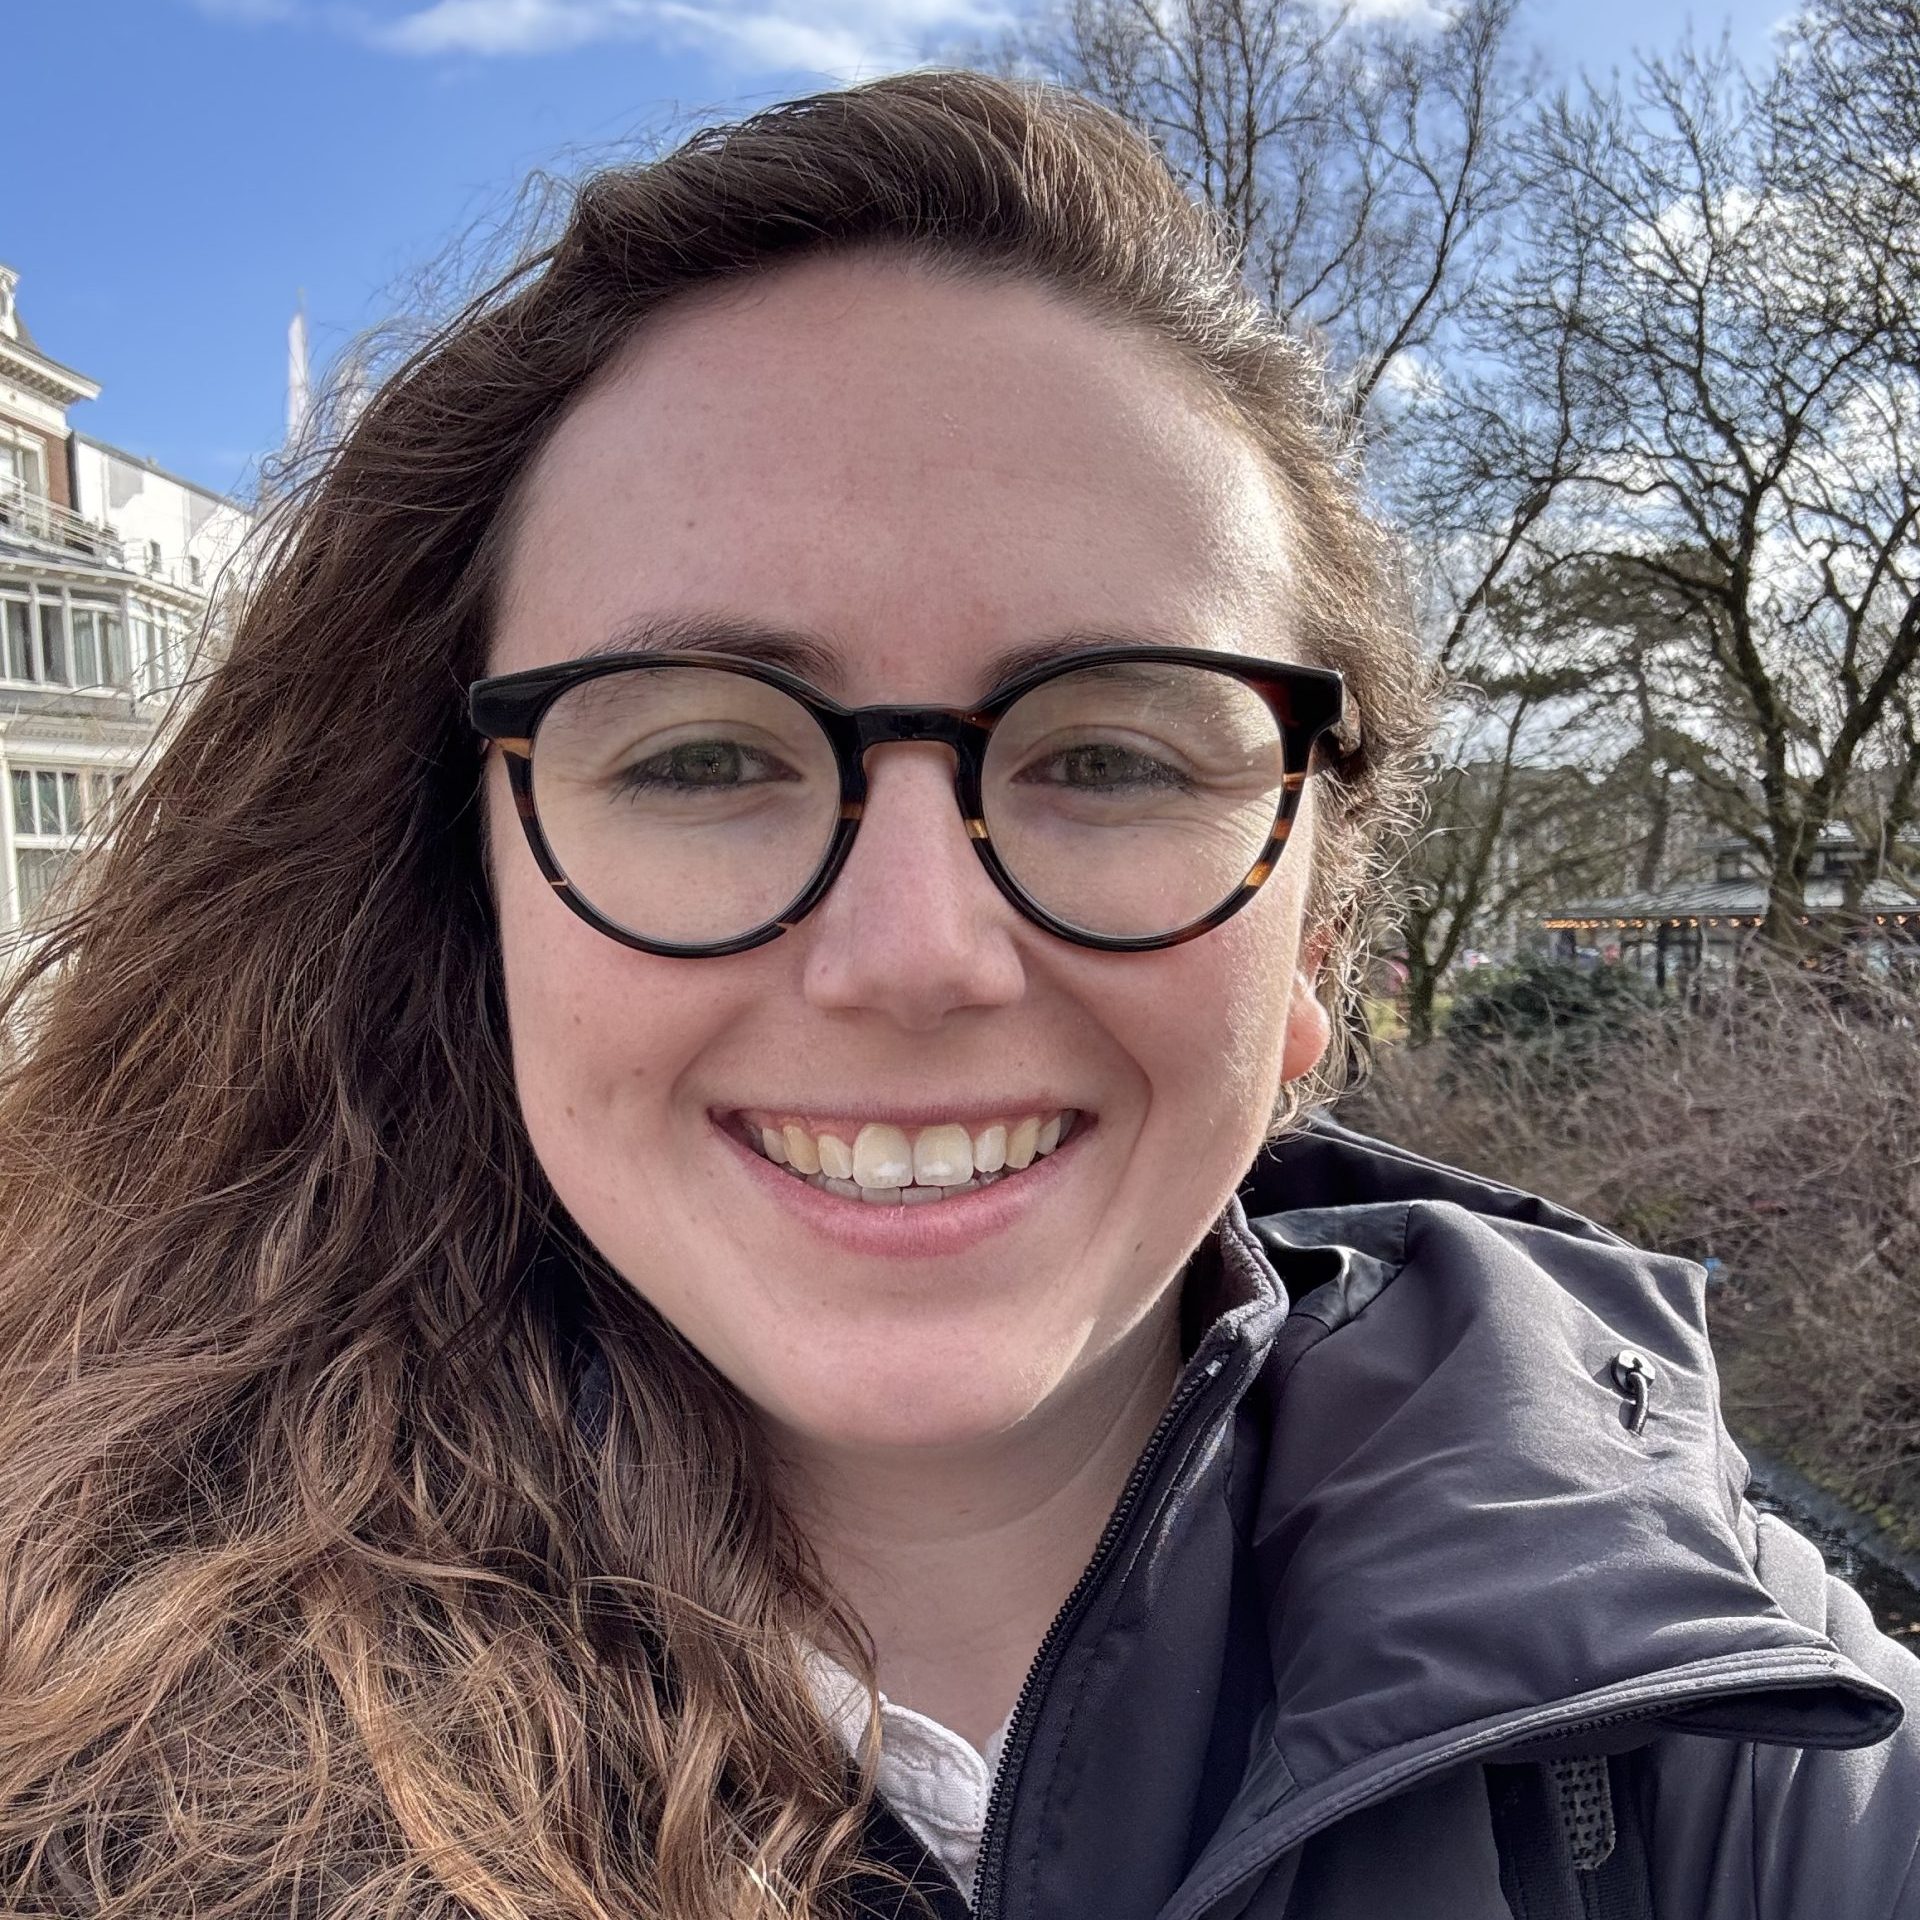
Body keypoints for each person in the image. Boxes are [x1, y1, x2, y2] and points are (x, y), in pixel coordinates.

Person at [0, 69, 1913, 1920]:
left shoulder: (1736, 1724)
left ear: (1315, 944)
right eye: (698, 758)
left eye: (1114, 758)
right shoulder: (65, 1753)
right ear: (468, 894)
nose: (916, 953)